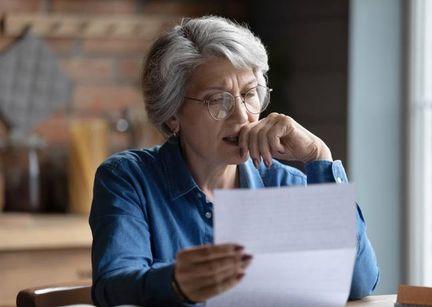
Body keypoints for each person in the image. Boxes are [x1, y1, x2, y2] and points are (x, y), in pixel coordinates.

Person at [89, 16, 379, 306]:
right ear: (172, 113)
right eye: (217, 100)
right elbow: (112, 287)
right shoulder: (128, 179)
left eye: (249, 94)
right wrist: (176, 282)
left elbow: (358, 283)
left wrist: (319, 155)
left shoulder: (283, 184)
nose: (242, 117)